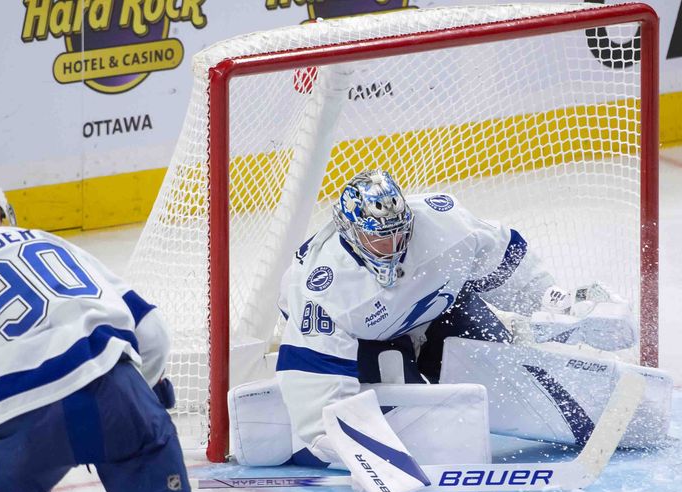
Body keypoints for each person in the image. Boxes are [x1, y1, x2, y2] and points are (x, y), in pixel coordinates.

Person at [271, 169, 643, 466]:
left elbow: (503, 261)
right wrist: (336, 438)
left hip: (435, 310)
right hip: (369, 339)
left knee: (501, 368)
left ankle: (553, 392)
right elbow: (314, 373)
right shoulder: (322, 286)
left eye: (398, 234)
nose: (392, 246)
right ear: (350, 233)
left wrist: (553, 299)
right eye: (378, 239)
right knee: (412, 416)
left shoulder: (444, 223)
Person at [0, 170, 194, 492]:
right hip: (116, 390)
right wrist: (144, 393)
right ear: (0, 214)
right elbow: (151, 331)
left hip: (25, 419)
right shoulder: (53, 242)